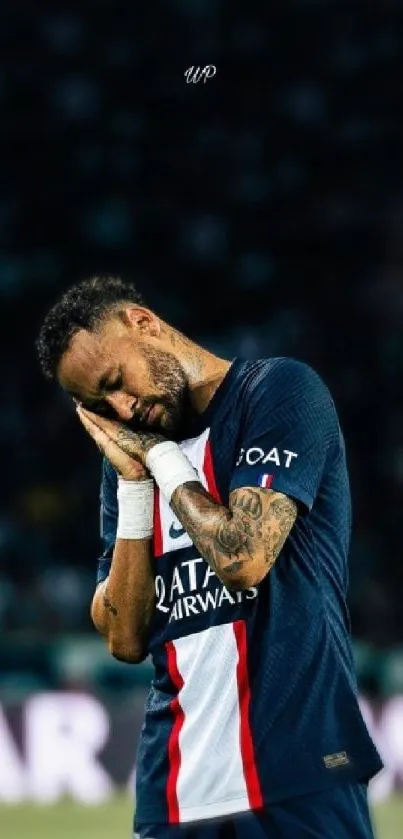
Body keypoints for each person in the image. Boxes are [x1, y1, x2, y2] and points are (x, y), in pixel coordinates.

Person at [36, 275, 383, 839]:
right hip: (172, 788)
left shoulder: (277, 392)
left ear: (142, 322)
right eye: (101, 405)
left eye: (116, 382)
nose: (123, 408)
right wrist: (131, 486)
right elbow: (124, 638)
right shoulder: (131, 463)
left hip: (300, 774)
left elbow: (244, 557)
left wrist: (162, 462)